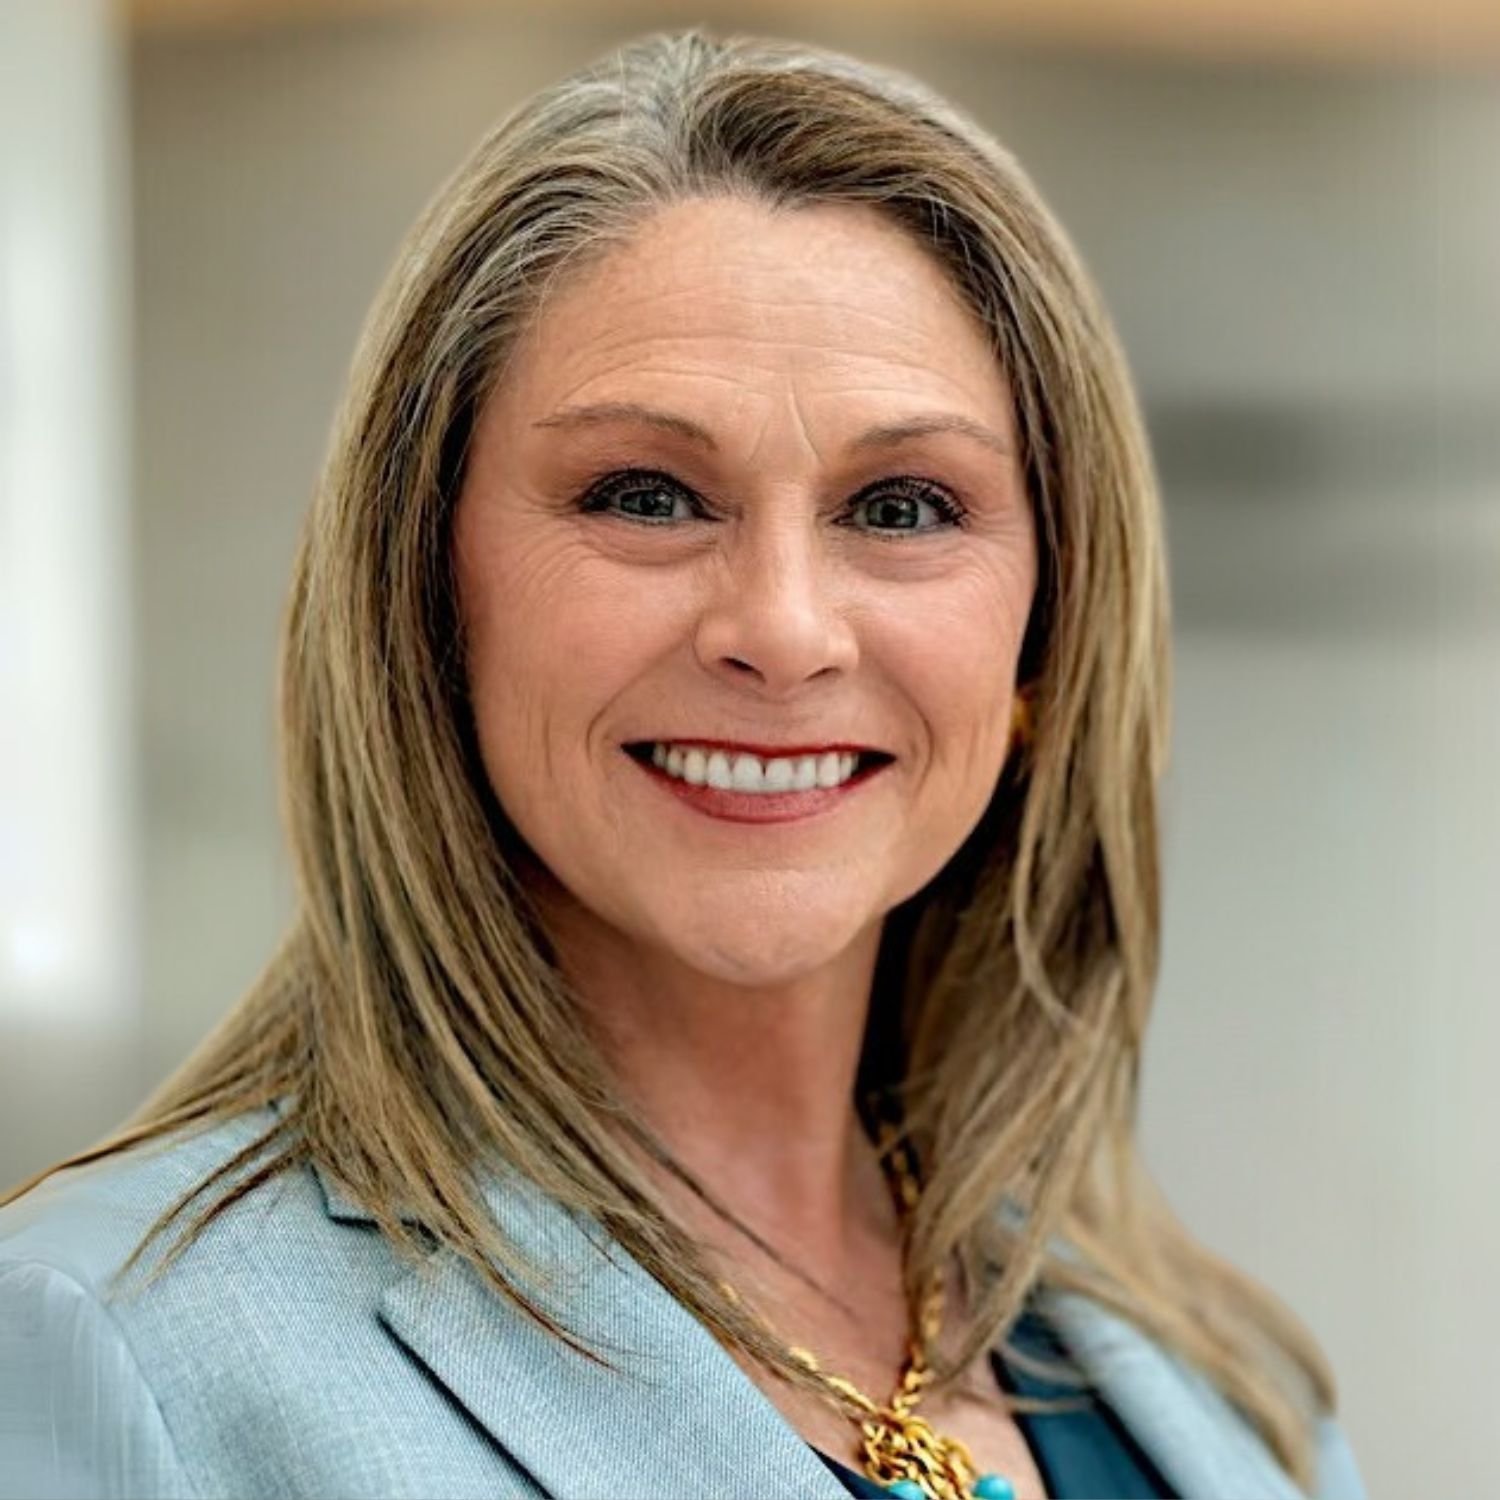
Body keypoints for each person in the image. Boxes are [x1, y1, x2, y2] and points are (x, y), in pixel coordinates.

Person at [0, 28, 1366, 1500]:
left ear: (1046, 632)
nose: (782, 631)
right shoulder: (115, 1353)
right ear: (430, 597)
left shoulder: (1234, 1393)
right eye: (647, 495)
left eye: (902, 507)